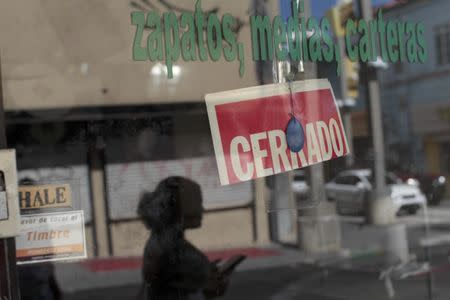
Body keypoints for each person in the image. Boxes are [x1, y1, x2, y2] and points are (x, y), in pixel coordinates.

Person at [137, 177, 228, 300]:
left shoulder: (166, 242)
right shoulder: (166, 248)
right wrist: (208, 289)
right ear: (181, 207)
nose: (202, 209)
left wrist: (203, 272)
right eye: (198, 202)